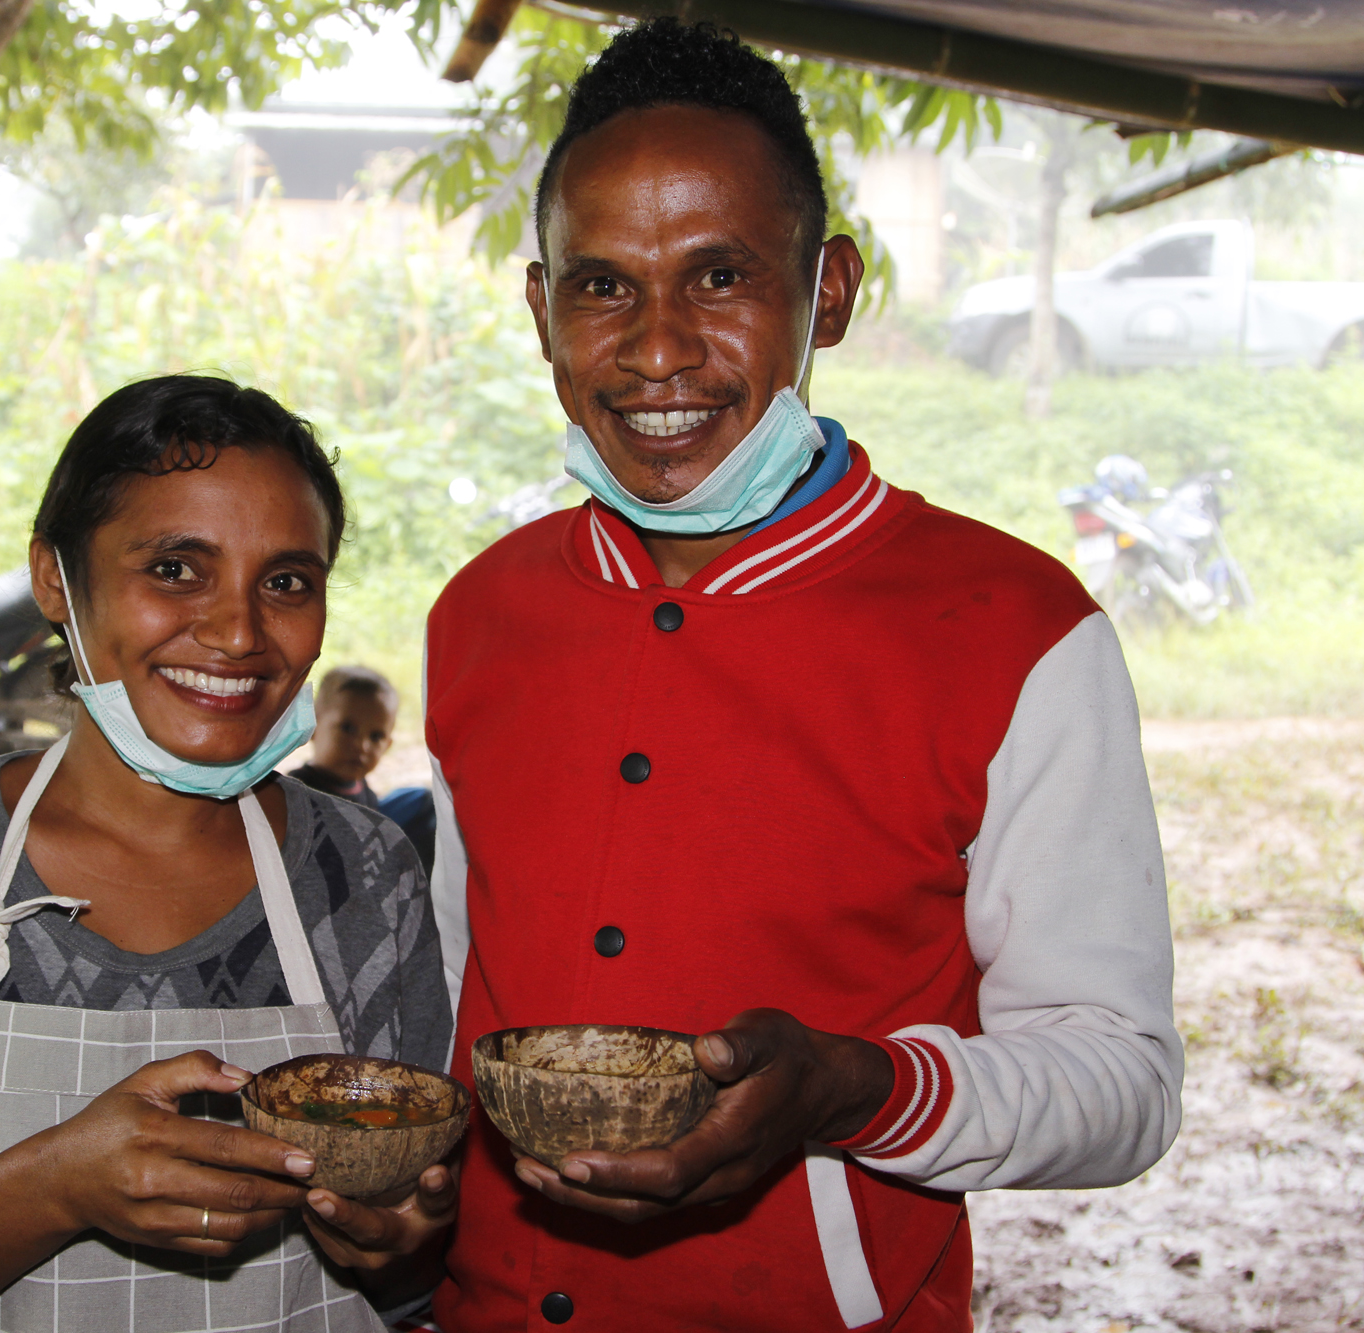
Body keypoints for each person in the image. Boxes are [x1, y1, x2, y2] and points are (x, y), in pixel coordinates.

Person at [422, 21, 1182, 1331]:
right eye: (602, 286)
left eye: (720, 276)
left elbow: (1121, 1081)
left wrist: (861, 1090)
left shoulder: (1014, 632)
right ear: (541, 308)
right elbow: (450, 989)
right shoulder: (480, 616)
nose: (658, 350)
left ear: (826, 290)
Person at [0, 375, 454, 1333]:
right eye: (174, 568)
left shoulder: (365, 873)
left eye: (286, 580)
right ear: (54, 580)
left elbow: (418, 1269)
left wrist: (409, 1244)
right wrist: (52, 1186)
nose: (240, 632)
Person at [289, 665, 398, 810]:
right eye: (348, 729)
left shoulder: (367, 795)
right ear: (312, 726)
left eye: (376, 737)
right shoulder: (294, 792)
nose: (362, 746)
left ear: (387, 746)